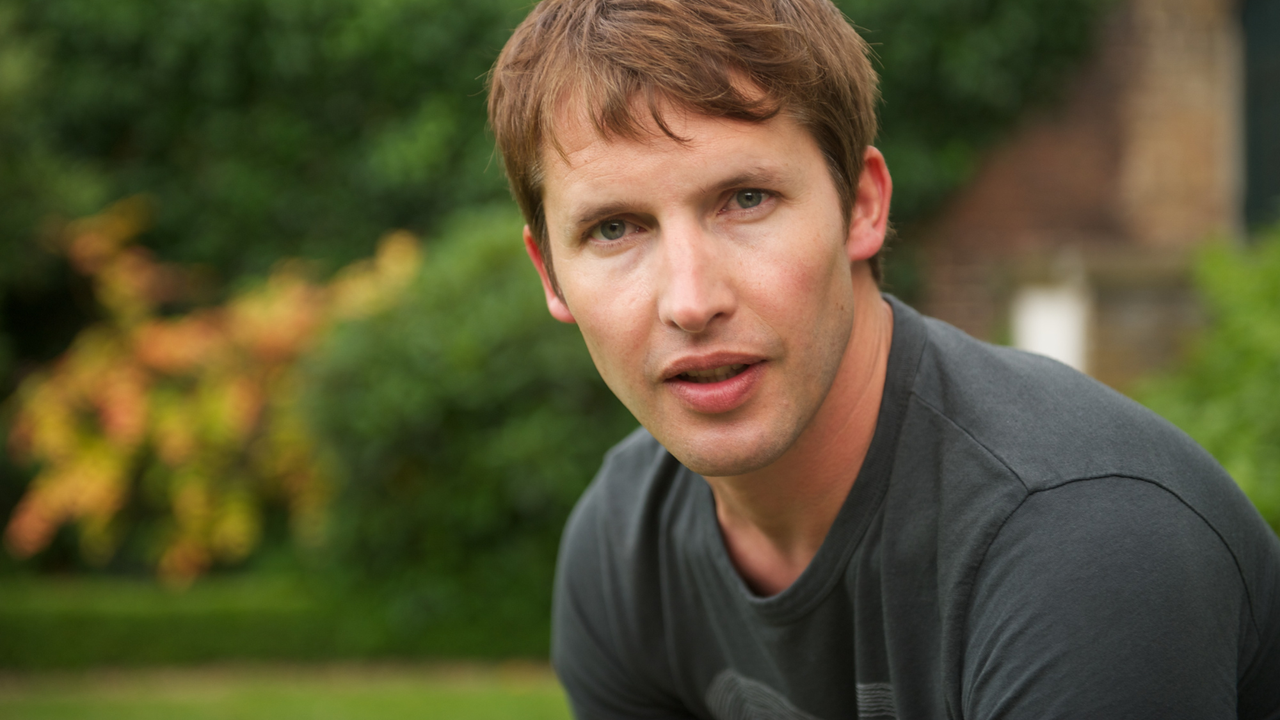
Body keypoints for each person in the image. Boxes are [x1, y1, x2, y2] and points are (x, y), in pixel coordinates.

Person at [486, 0, 1280, 717]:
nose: (691, 301)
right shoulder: (627, 544)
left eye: (747, 199)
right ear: (550, 273)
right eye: (616, 229)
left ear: (861, 206)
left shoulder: (1085, 541)